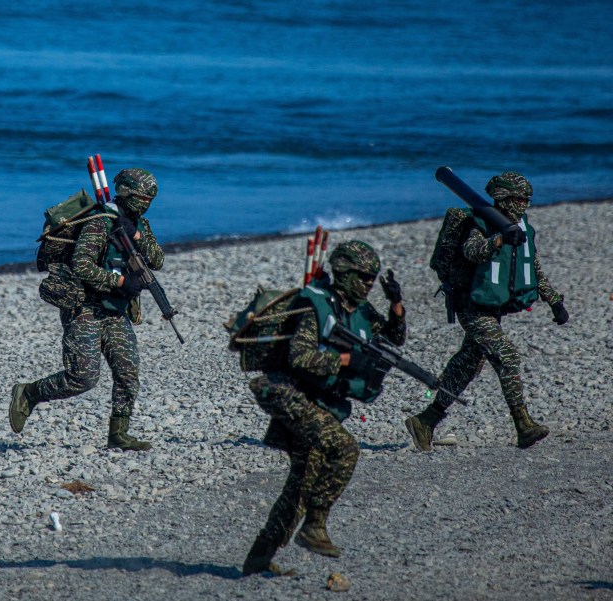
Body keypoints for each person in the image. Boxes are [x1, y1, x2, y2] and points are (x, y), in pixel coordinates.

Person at [242, 241, 406, 576]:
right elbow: (299, 358)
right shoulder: (315, 305)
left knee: (303, 483)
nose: (368, 284)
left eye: (372, 279)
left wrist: (396, 304)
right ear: (343, 272)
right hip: (289, 394)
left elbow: (394, 339)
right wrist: (346, 359)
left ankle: (258, 559)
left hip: (318, 400)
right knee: (345, 449)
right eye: (363, 277)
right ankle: (314, 527)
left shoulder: (360, 311)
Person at [406, 172, 568, 452]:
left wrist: (554, 301)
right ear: (505, 198)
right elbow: (471, 251)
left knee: (468, 364)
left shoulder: (521, 226)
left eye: (528, 199)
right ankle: (524, 426)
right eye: (520, 199)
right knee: (506, 355)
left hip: (493, 307)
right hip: (472, 306)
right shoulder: (484, 223)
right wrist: (498, 240)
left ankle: (425, 421)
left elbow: (533, 267)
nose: (525, 204)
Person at [9, 168, 165, 451]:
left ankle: (119, 432)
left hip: (116, 311)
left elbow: (157, 260)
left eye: (149, 200)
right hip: (85, 308)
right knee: (82, 378)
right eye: (142, 198)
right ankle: (29, 393)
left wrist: (138, 237)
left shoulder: (139, 223)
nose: (145, 204)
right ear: (128, 193)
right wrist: (118, 280)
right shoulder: (100, 222)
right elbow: (82, 265)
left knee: (128, 372)